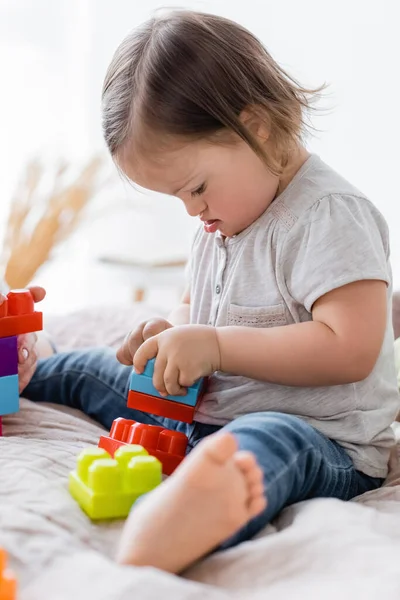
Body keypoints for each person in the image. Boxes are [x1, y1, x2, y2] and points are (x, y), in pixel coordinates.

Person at [21, 10, 399, 575]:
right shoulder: (221, 218)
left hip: (319, 437)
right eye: (177, 197)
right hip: (200, 412)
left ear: (259, 126)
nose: (192, 209)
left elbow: (351, 348)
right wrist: (172, 332)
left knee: (264, 443)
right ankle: (30, 369)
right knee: (100, 372)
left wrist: (216, 346)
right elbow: (199, 309)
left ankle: (183, 520)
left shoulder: (329, 216)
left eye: (195, 187)